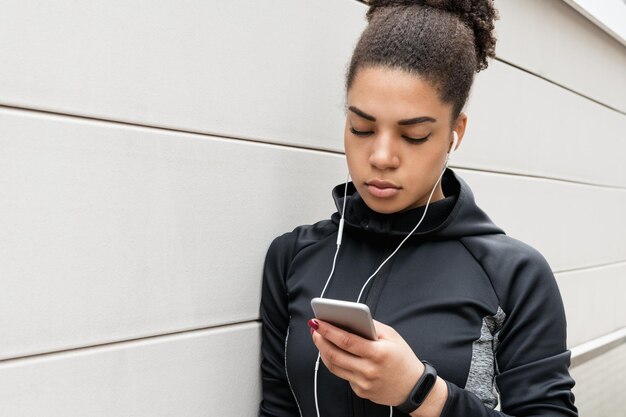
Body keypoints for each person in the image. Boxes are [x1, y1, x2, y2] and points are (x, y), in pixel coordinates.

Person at [258, 1, 578, 416]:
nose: (382, 156)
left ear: (453, 133)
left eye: (414, 135)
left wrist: (422, 392)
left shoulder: (513, 274)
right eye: (362, 128)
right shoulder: (293, 256)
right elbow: (278, 408)